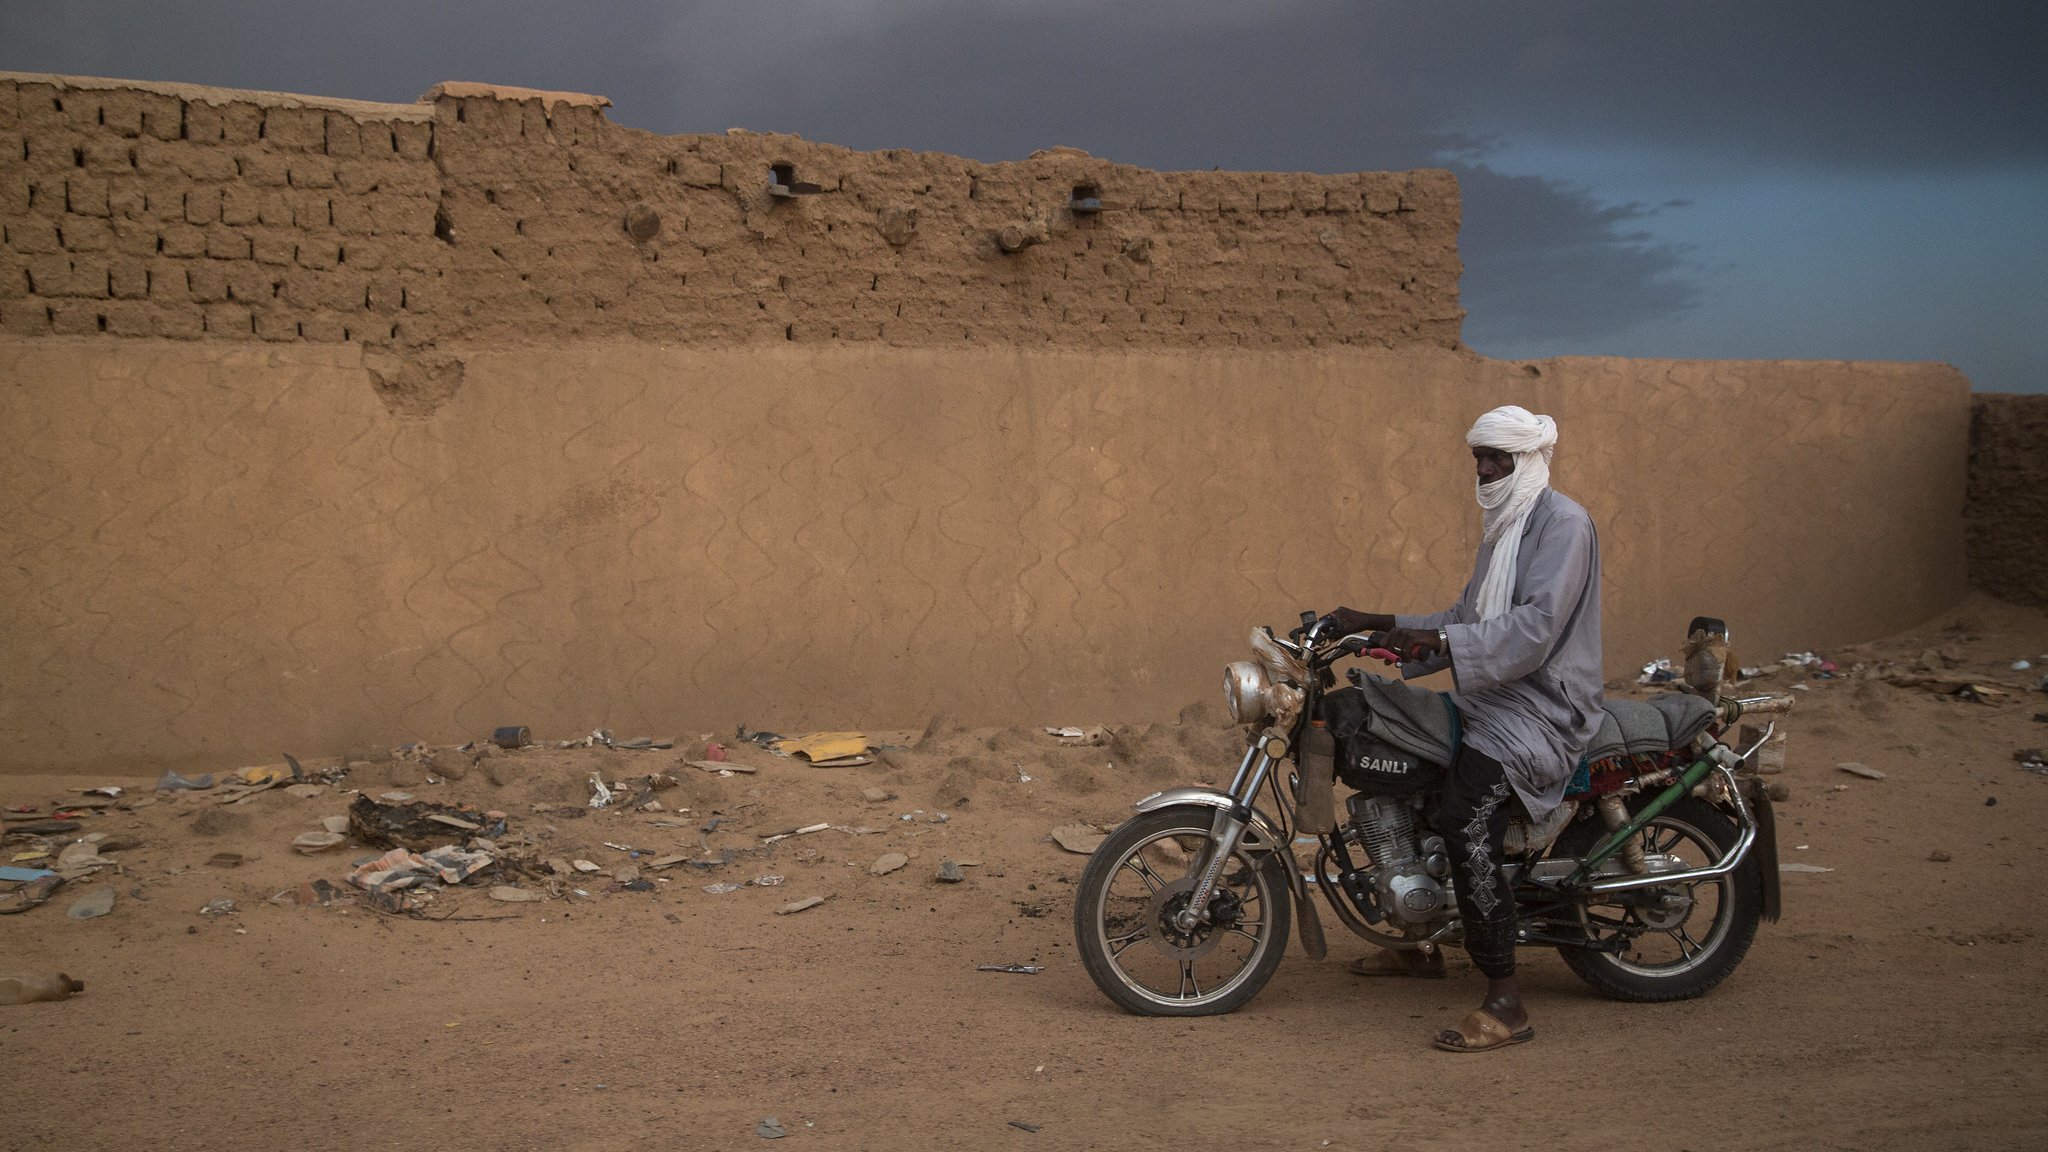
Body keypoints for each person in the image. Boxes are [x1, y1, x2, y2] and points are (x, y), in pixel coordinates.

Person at [1319, 404, 1603, 1053]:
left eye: (1494, 457)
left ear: (1525, 460)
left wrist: (1440, 638)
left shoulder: (1563, 525)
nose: (1481, 468)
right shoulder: (1504, 526)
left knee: (1463, 816)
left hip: (1542, 708)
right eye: (1477, 455)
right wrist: (1371, 620)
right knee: (1393, 756)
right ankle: (1418, 942)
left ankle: (1505, 999)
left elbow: (1533, 631)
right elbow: (1465, 615)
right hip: (1494, 696)